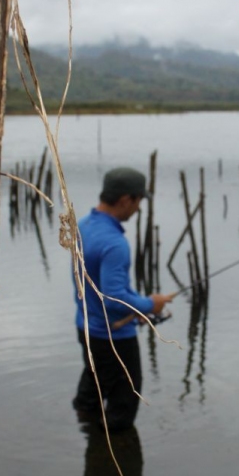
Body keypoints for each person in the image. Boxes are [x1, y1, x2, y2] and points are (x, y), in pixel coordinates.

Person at [73, 167, 174, 432]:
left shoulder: (83, 225)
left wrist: (139, 304)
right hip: (114, 339)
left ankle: (86, 427)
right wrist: (151, 304)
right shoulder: (114, 243)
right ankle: (115, 455)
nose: (139, 208)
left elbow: (94, 286)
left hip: (86, 326)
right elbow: (114, 299)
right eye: (139, 201)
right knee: (124, 404)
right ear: (125, 200)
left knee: (92, 387)